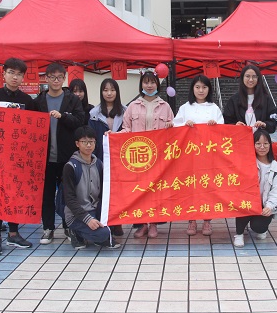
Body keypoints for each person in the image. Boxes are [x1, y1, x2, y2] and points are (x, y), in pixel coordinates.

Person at [0, 58, 36, 255]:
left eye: (19, 74)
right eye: (11, 73)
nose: (15, 77)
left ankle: (13, 233)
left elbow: (34, 127)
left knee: (15, 195)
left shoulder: (27, 100)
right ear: (3, 74)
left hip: (18, 158)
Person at [34, 63, 84, 244]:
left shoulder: (72, 100)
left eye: (59, 77)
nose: (56, 81)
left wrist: (63, 116)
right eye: (52, 77)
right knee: (46, 195)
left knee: (67, 195)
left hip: (67, 157)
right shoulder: (38, 101)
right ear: (46, 78)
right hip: (45, 157)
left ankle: (68, 226)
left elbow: (80, 121)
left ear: (64, 79)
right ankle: (48, 228)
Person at [122, 70, 174, 238]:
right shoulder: (133, 106)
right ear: (141, 84)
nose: (149, 85)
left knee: (156, 191)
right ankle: (143, 224)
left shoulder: (165, 106)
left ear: (157, 84)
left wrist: (170, 126)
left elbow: (174, 131)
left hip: (159, 157)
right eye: (146, 82)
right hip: (139, 156)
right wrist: (113, 136)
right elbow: (126, 129)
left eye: (152, 82)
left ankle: (154, 224)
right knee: (141, 191)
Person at [173, 74, 224, 236]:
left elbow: (223, 130)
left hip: (209, 156)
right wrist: (184, 124)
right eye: (197, 87)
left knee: (208, 186)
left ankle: (207, 220)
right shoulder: (185, 108)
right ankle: (192, 219)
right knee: (190, 187)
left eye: (204, 87)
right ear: (192, 89)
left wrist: (215, 125)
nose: (201, 90)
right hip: (189, 156)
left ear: (209, 89)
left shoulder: (214, 108)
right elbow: (175, 126)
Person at [62, 126, 120, 249]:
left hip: (95, 209)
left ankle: (97, 235)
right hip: (76, 214)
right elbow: (69, 199)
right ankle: (76, 232)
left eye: (91, 142)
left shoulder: (98, 164)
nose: (89, 145)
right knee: (103, 233)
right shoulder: (71, 166)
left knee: (113, 224)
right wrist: (88, 219)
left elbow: (104, 191)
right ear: (77, 144)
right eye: (84, 142)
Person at [88, 78, 126, 238]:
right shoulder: (94, 113)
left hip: (121, 159)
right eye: (105, 90)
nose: (109, 93)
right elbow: (90, 137)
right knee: (102, 192)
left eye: (112, 90)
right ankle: (104, 223)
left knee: (119, 192)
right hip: (100, 158)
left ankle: (117, 223)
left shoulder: (125, 111)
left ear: (117, 92)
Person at [233, 129, 277, 247]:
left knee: (258, 227)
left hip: (263, 205)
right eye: (258, 143)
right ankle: (239, 234)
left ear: (270, 145)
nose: (262, 147)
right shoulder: (246, 163)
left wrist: (269, 207)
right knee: (243, 205)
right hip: (248, 202)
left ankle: (262, 228)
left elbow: (276, 192)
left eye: (265, 143)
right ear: (253, 145)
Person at [223, 64, 276, 133]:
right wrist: (235, 125)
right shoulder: (234, 100)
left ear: (258, 78)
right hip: (241, 137)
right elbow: (226, 121)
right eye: (247, 76)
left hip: (260, 138)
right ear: (242, 78)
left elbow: (273, 122)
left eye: (254, 76)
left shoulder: (266, 99)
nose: (251, 80)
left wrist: (264, 124)